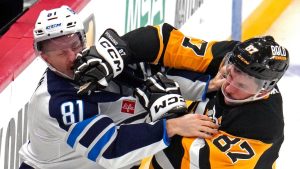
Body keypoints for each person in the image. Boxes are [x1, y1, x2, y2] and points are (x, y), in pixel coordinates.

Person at [18, 6, 219, 169]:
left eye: (75, 45)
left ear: (83, 38)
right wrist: (173, 126)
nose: (72, 57)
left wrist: (207, 85)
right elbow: (110, 150)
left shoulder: (100, 63)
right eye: (61, 53)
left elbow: (151, 74)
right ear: (45, 58)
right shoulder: (59, 102)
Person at [74, 23, 289, 168]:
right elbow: (168, 42)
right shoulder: (235, 58)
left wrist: (169, 117)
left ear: (264, 90)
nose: (228, 86)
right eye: (230, 73)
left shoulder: (263, 127)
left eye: (240, 85)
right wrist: (117, 50)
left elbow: (191, 161)